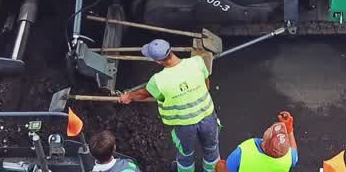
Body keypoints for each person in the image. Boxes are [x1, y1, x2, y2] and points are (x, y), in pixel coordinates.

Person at [119, 39, 220, 172]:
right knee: (211, 148)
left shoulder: (158, 80)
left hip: (185, 125)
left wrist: (128, 96)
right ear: (170, 50)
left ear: (158, 61)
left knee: (185, 153)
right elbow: (206, 84)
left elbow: (143, 94)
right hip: (208, 116)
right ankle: (212, 170)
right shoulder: (197, 61)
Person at [221, 112, 299, 172]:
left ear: (265, 146)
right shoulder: (289, 157)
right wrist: (289, 130)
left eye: (270, 130)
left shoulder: (243, 153)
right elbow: (293, 150)